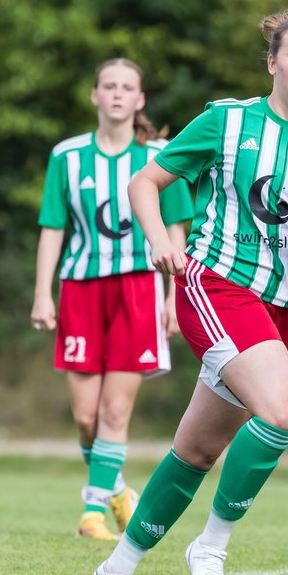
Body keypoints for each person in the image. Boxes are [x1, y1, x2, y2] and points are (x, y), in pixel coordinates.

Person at [88, 10, 288, 575]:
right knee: (282, 411)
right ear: (272, 62)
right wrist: (159, 242)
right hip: (216, 284)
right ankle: (211, 548)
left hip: (282, 310)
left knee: (196, 450)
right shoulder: (227, 120)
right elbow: (145, 184)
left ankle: (116, 570)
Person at [31, 59, 193, 541]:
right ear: (95, 95)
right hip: (81, 289)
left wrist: (174, 295)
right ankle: (119, 492)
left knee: (114, 413)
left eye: (128, 88)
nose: (118, 94)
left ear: (140, 99)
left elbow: (176, 228)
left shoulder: (162, 154)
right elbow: (52, 228)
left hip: (140, 288)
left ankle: (93, 513)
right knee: (85, 417)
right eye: (109, 86)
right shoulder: (67, 156)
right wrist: (43, 293)